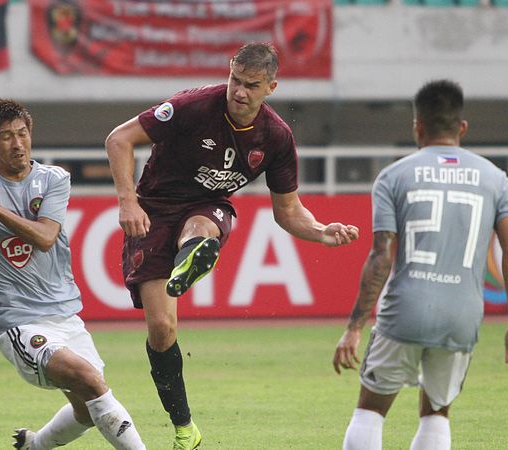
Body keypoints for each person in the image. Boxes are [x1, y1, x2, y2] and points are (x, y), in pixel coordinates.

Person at [105, 42, 360, 449]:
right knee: (162, 327)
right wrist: (127, 200)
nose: (239, 92)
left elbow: (289, 212)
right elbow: (119, 139)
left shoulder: (276, 137)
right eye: (235, 80)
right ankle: (185, 426)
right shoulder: (193, 107)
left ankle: (193, 256)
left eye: (251, 85)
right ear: (228, 72)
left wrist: (321, 231)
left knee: (203, 226)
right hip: (153, 209)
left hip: (208, 206)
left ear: (271, 87)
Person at [332, 79, 508, 450]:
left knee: (371, 410)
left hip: (405, 310)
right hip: (461, 315)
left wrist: (354, 327)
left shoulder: (393, 176)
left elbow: (381, 255)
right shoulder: (495, 178)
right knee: (437, 413)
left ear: (417, 127)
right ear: (462, 128)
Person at [0, 99, 145, 450]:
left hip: (66, 316)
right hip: (19, 322)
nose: (17, 144)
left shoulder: (52, 179)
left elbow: (45, 237)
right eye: (6, 137)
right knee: (90, 380)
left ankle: (35, 445)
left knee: (88, 410)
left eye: (22, 133)